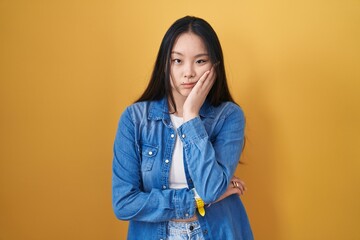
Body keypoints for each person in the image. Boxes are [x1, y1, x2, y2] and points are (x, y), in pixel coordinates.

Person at [112, 16, 253, 240]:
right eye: (177, 61)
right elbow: (123, 203)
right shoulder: (135, 119)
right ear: (164, 64)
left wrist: (190, 117)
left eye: (200, 61)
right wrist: (195, 200)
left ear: (215, 65)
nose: (188, 72)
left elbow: (210, 189)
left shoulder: (229, 116)